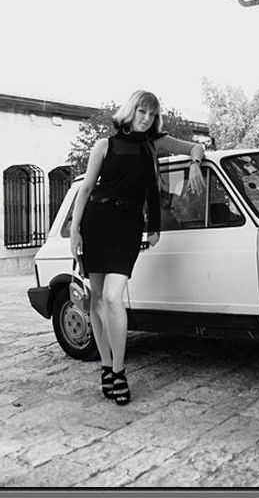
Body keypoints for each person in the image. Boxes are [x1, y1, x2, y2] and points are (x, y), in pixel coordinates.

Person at [70, 90, 205, 405]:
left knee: (114, 298)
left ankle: (119, 372)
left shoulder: (154, 143)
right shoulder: (105, 145)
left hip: (127, 227)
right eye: (141, 111)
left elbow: (194, 147)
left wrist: (196, 163)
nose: (146, 118)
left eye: (152, 114)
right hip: (96, 223)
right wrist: (75, 232)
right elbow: (86, 189)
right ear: (130, 111)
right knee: (98, 302)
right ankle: (106, 368)